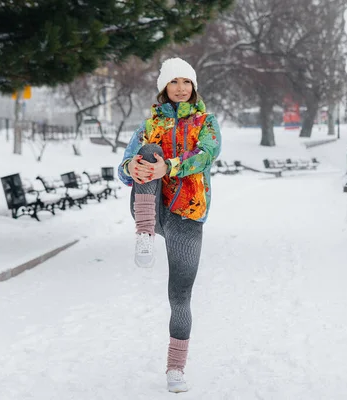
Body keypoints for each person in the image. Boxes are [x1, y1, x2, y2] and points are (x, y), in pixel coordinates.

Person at [117, 57, 222, 393]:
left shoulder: (206, 121)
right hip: (153, 210)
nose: (180, 88)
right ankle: (144, 234)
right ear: (164, 87)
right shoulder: (150, 125)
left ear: (193, 87)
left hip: (188, 215)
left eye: (186, 82)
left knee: (180, 296)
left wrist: (170, 167)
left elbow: (207, 154)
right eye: (173, 82)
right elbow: (122, 167)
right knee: (146, 151)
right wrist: (130, 168)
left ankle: (175, 369)